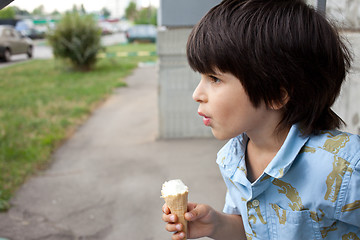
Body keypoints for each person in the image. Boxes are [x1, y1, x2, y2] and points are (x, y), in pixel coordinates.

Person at [162, 0, 360, 239]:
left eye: (214, 78)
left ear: (277, 94)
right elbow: (254, 228)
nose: (197, 94)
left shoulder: (345, 168)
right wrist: (216, 225)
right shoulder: (232, 159)